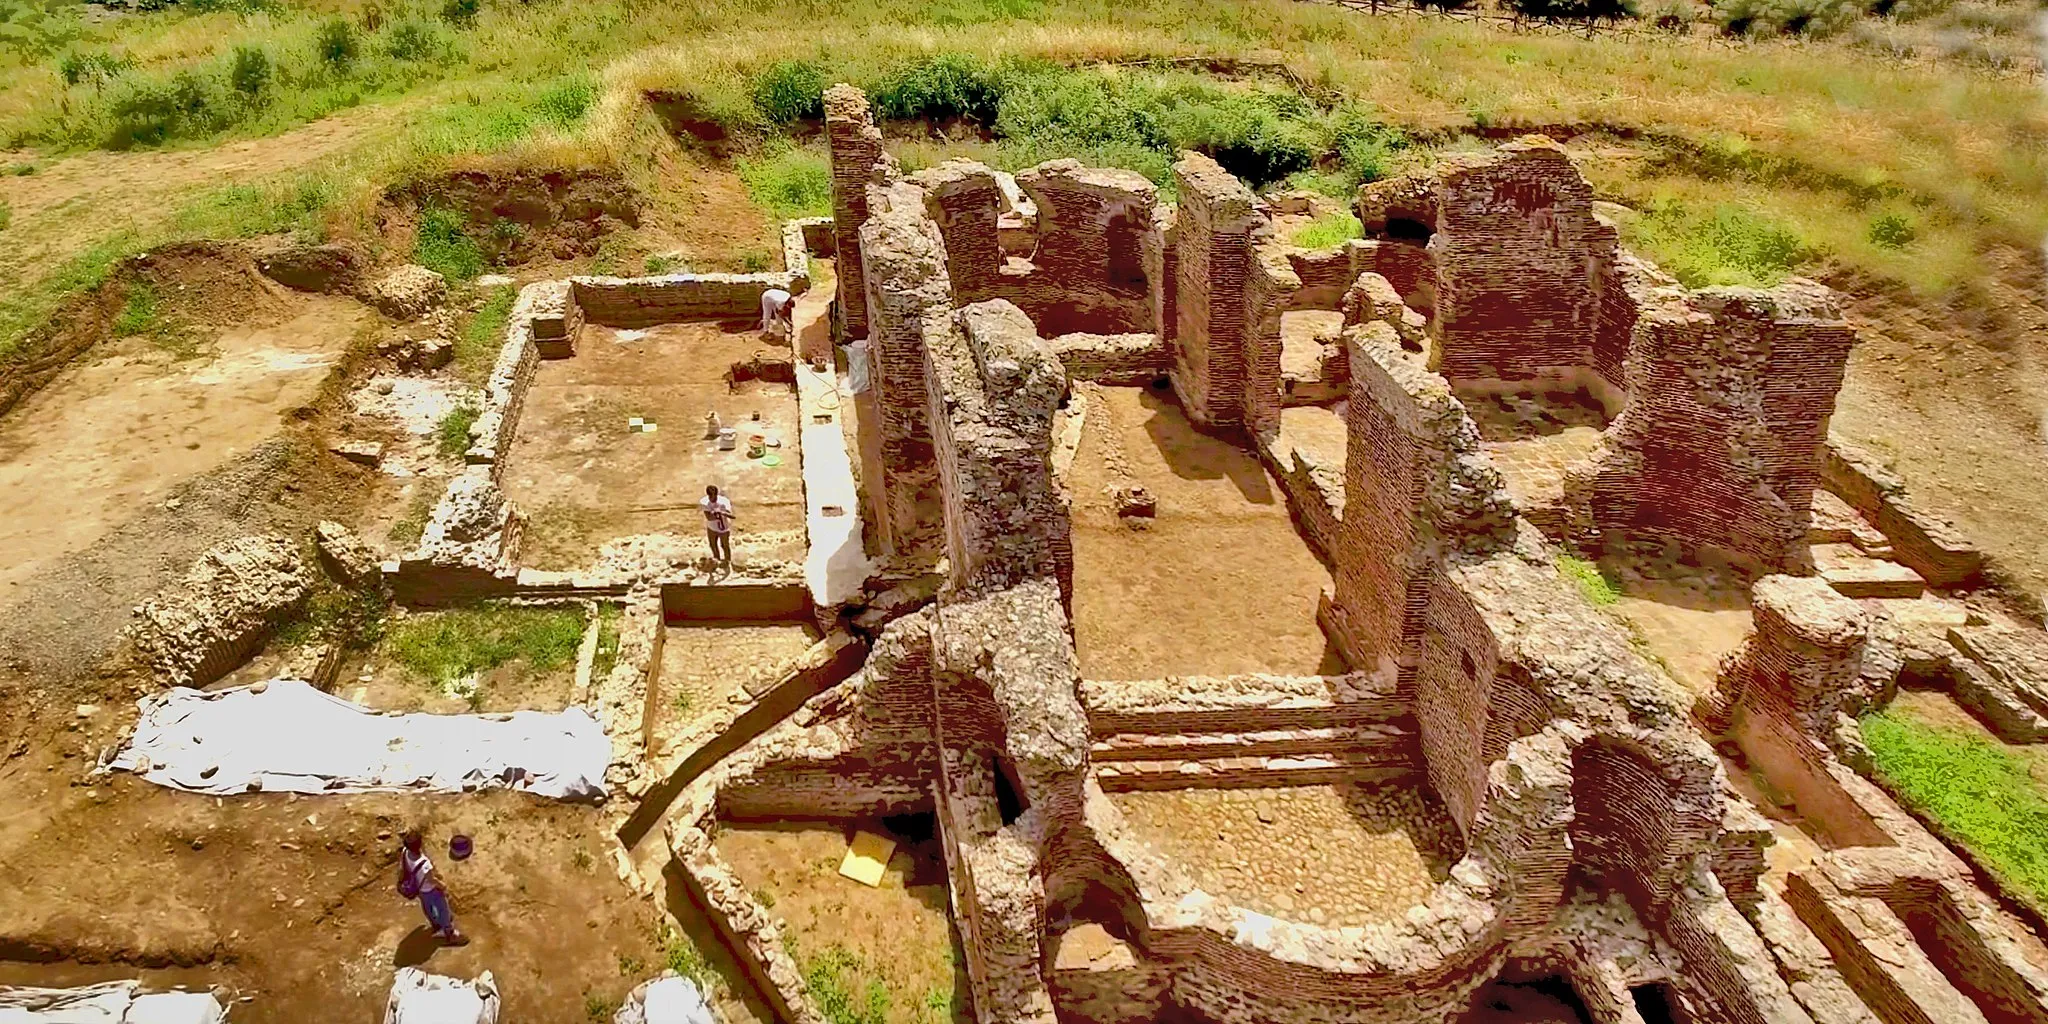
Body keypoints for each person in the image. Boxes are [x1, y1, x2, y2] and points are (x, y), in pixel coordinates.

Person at [399, 829, 468, 946]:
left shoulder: (405, 852)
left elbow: (403, 868)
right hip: (430, 889)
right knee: (443, 909)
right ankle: (449, 934)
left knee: (427, 907)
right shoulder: (424, 863)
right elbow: (431, 880)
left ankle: (435, 925)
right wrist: (443, 886)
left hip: (419, 888)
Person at [699, 484, 734, 568]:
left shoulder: (724, 501)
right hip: (712, 528)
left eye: (714, 497)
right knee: (713, 544)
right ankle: (716, 560)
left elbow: (731, 515)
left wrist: (722, 513)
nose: (712, 499)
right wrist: (715, 514)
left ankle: (727, 561)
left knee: (724, 545)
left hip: (724, 528)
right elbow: (709, 517)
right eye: (711, 497)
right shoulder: (704, 502)